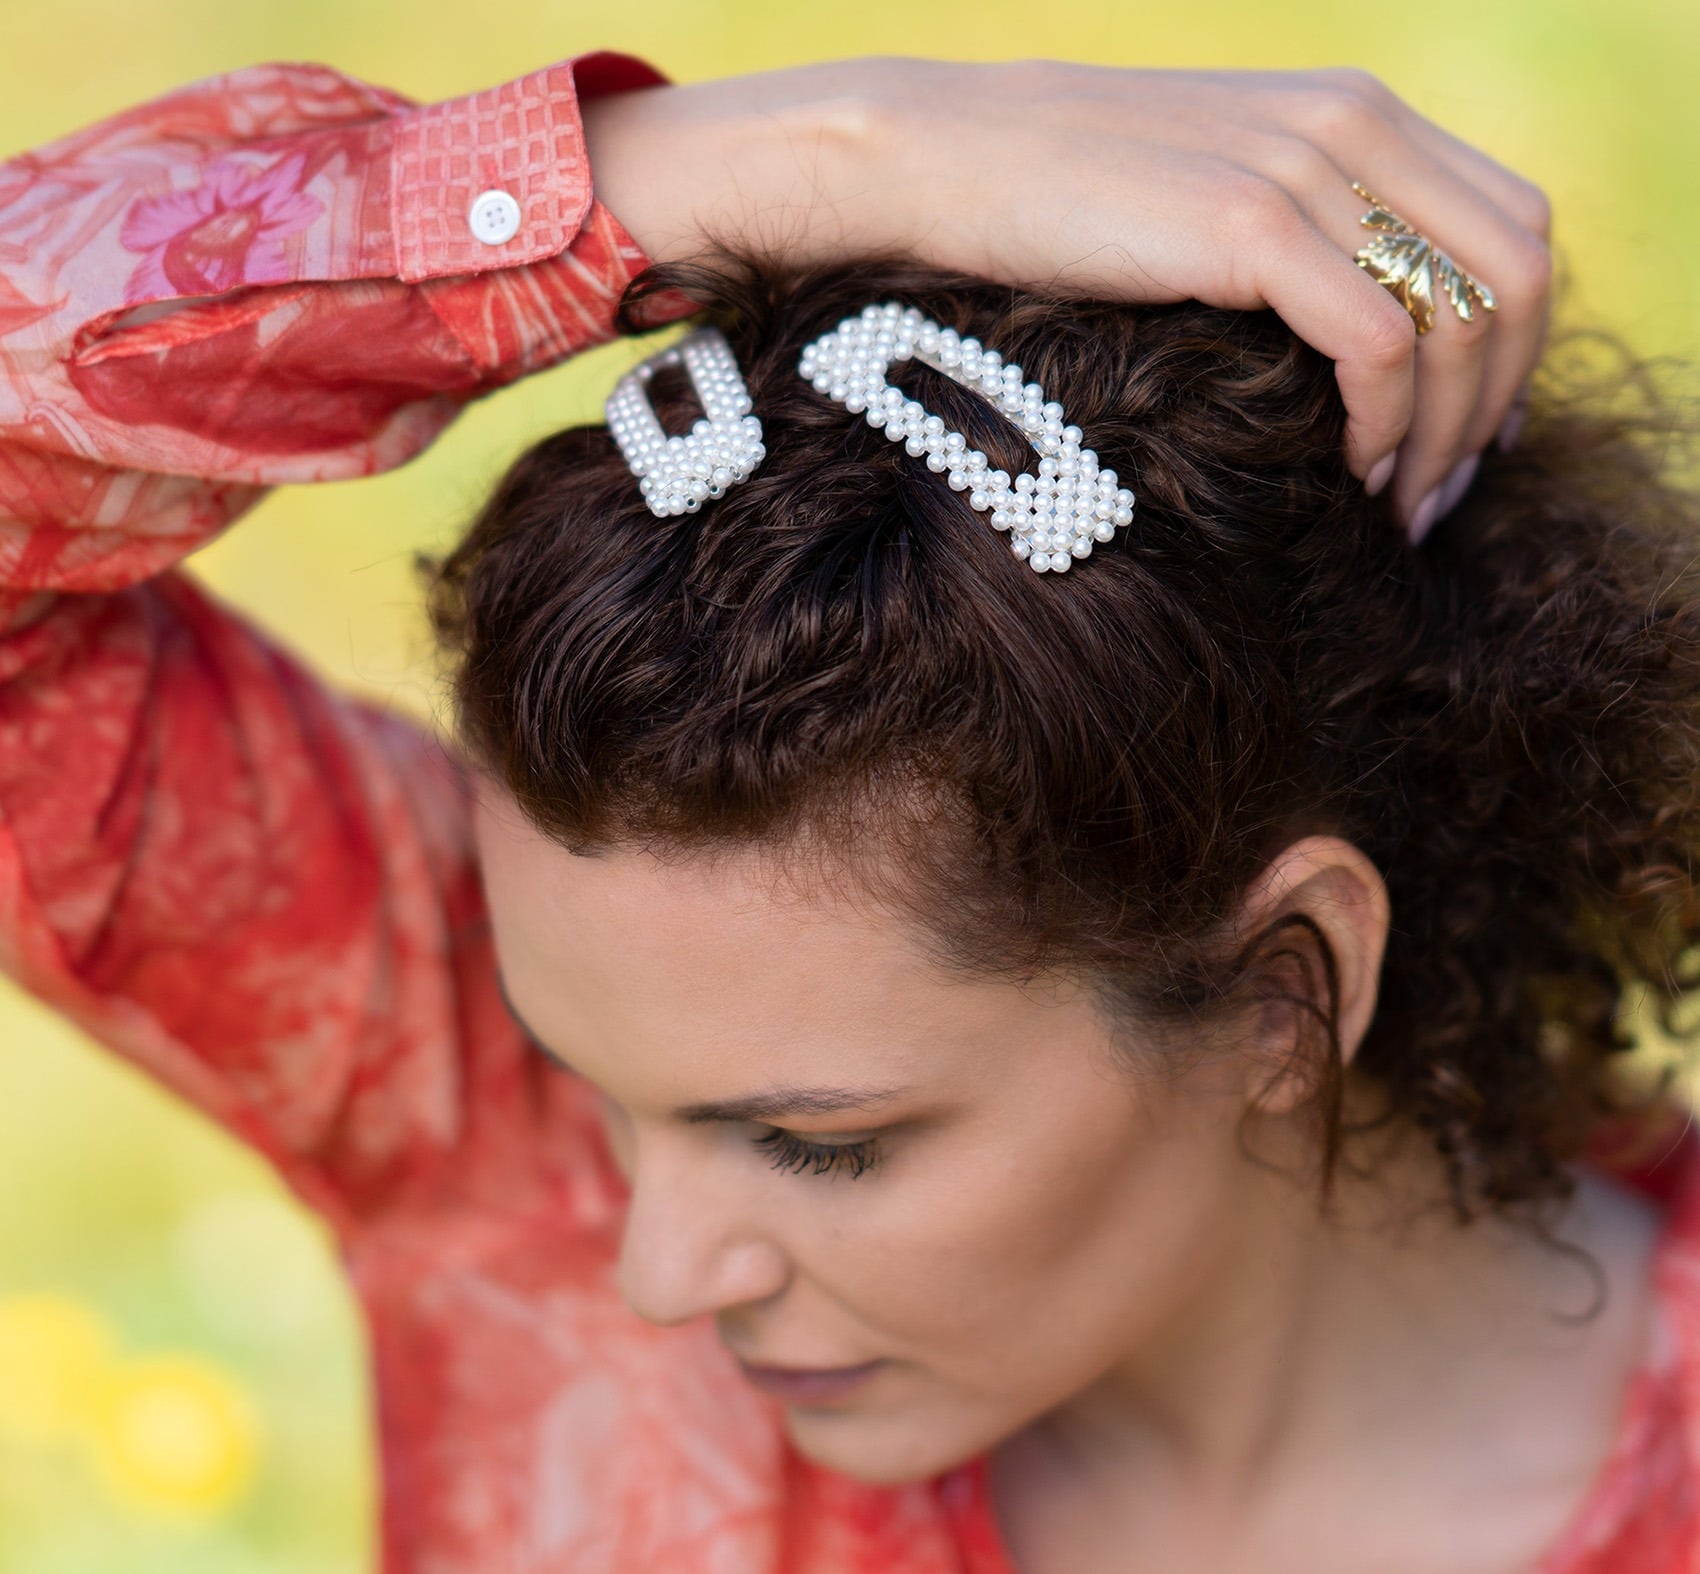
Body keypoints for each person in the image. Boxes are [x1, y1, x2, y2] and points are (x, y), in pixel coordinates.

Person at [1, 46, 1692, 1574]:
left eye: (821, 1141)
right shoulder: (475, 1119)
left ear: (1286, 980)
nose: (660, 1272)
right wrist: (779, 158)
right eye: (590, 1086)